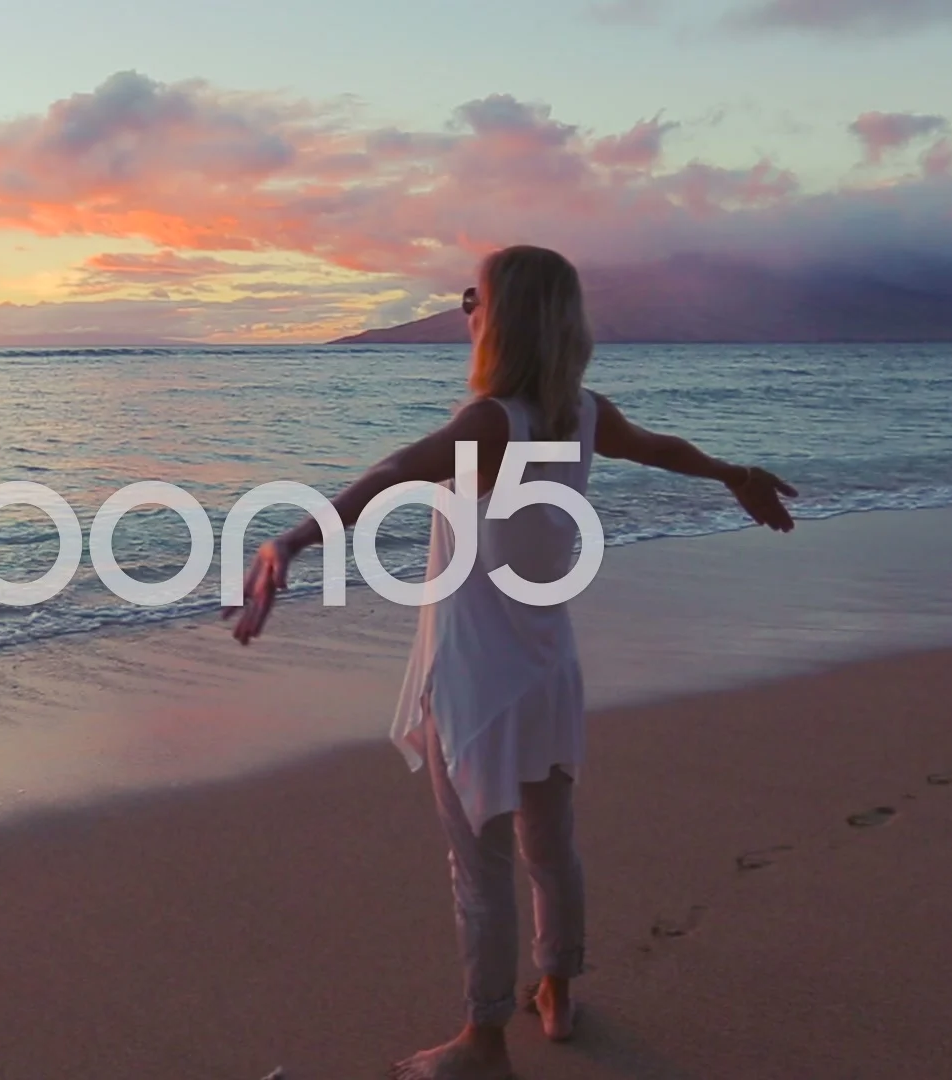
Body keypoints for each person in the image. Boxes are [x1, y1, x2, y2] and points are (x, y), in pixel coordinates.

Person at [223, 245, 797, 1080]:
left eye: (473, 298)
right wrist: (734, 473)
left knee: (480, 867)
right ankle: (558, 992)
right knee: (552, 849)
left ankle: (482, 1041)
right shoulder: (585, 413)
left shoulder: (492, 421)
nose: (465, 312)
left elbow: (392, 470)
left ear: (506, 320)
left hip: (476, 681)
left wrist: (290, 538)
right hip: (546, 670)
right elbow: (662, 447)